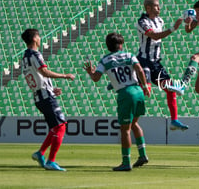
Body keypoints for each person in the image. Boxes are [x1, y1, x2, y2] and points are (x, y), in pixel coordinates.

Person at [84, 32, 150, 171]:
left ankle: (126, 162)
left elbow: (96, 78)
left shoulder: (105, 60)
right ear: (121, 45)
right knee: (134, 124)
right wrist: (145, 87)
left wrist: (90, 72)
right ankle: (142, 154)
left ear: (108, 46)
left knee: (125, 129)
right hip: (138, 91)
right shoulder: (129, 55)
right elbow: (139, 69)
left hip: (125, 94)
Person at [21, 28, 75, 171]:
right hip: (44, 95)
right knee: (61, 126)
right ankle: (51, 161)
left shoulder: (25, 57)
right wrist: (65, 75)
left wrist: (51, 89)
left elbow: (38, 77)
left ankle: (40, 153)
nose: (40, 38)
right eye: (38, 36)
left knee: (54, 128)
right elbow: (43, 72)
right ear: (34, 39)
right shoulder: (35, 54)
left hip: (40, 95)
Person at [136, 0, 189, 131]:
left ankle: (174, 120)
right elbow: (154, 36)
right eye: (156, 6)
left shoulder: (159, 21)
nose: (159, 8)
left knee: (171, 89)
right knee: (145, 88)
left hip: (156, 62)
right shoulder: (142, 22)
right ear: (148, 8)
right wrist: (173, 29)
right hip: (144, 60)